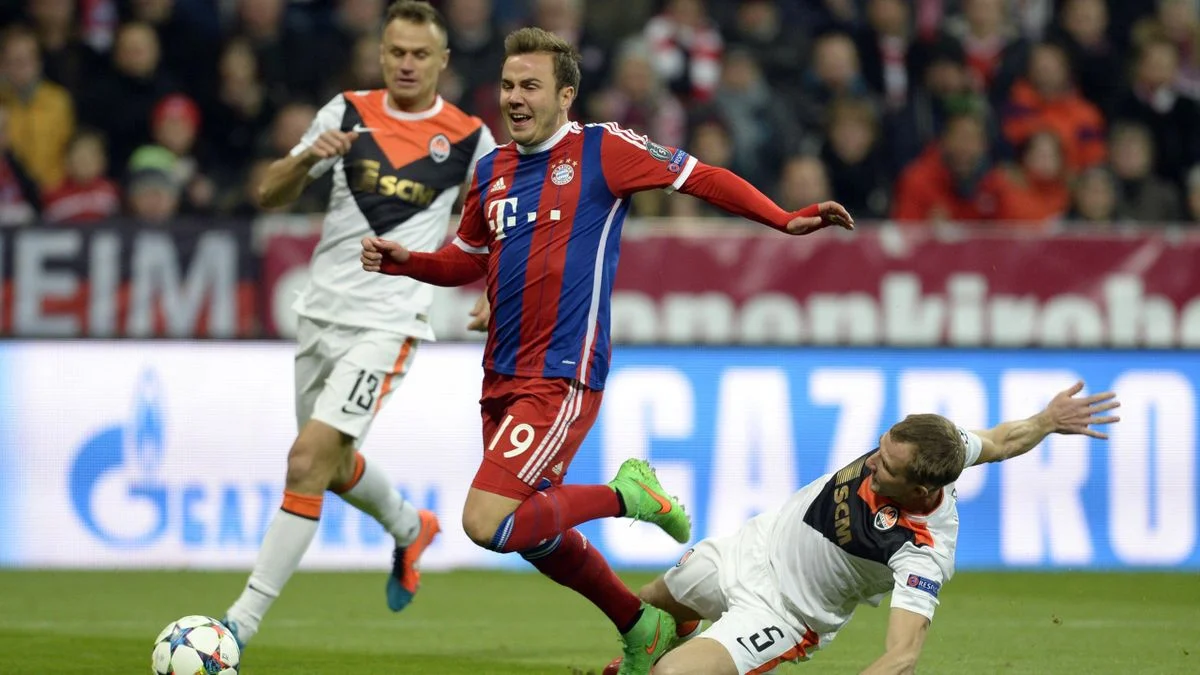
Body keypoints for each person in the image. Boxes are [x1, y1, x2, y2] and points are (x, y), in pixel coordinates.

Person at [359, 26, 854, 675]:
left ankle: (628, 493)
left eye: (530, 86)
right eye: (507, 85)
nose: (515, 98)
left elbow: (699, 177)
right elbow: (468, 258)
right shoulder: (490, 170)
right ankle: (640, 624)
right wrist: (410, 263)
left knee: (488, 522)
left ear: (565, 95)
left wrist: (782, 218)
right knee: (532, 531)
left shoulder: (603, 149)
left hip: (561, 372)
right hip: (500, 374)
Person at [221, 0, 497, 648]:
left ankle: (236, 625)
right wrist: (304, 159)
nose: (407, 63)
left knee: (306, 460)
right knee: (332, 462)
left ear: (442, 61)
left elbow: (500, 224)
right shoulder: (346, 112)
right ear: (380, 54)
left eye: (420, 54)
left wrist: (497, 291)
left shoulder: (468, 139)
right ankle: (410, 527)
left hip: (389, 321)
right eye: (397, 51)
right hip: (321, 312)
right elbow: (268, 193)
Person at [600, 381, 1120, 675]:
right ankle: (678, 635)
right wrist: (1048, 420)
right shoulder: (939, 444)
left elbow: (903, 653)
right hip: (752, 545)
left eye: (888, 467)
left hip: (785, 612)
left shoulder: (922, 550)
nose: (872, 463)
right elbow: (1003, 441)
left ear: (921, 490)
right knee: (648, 607)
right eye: (882, 447)